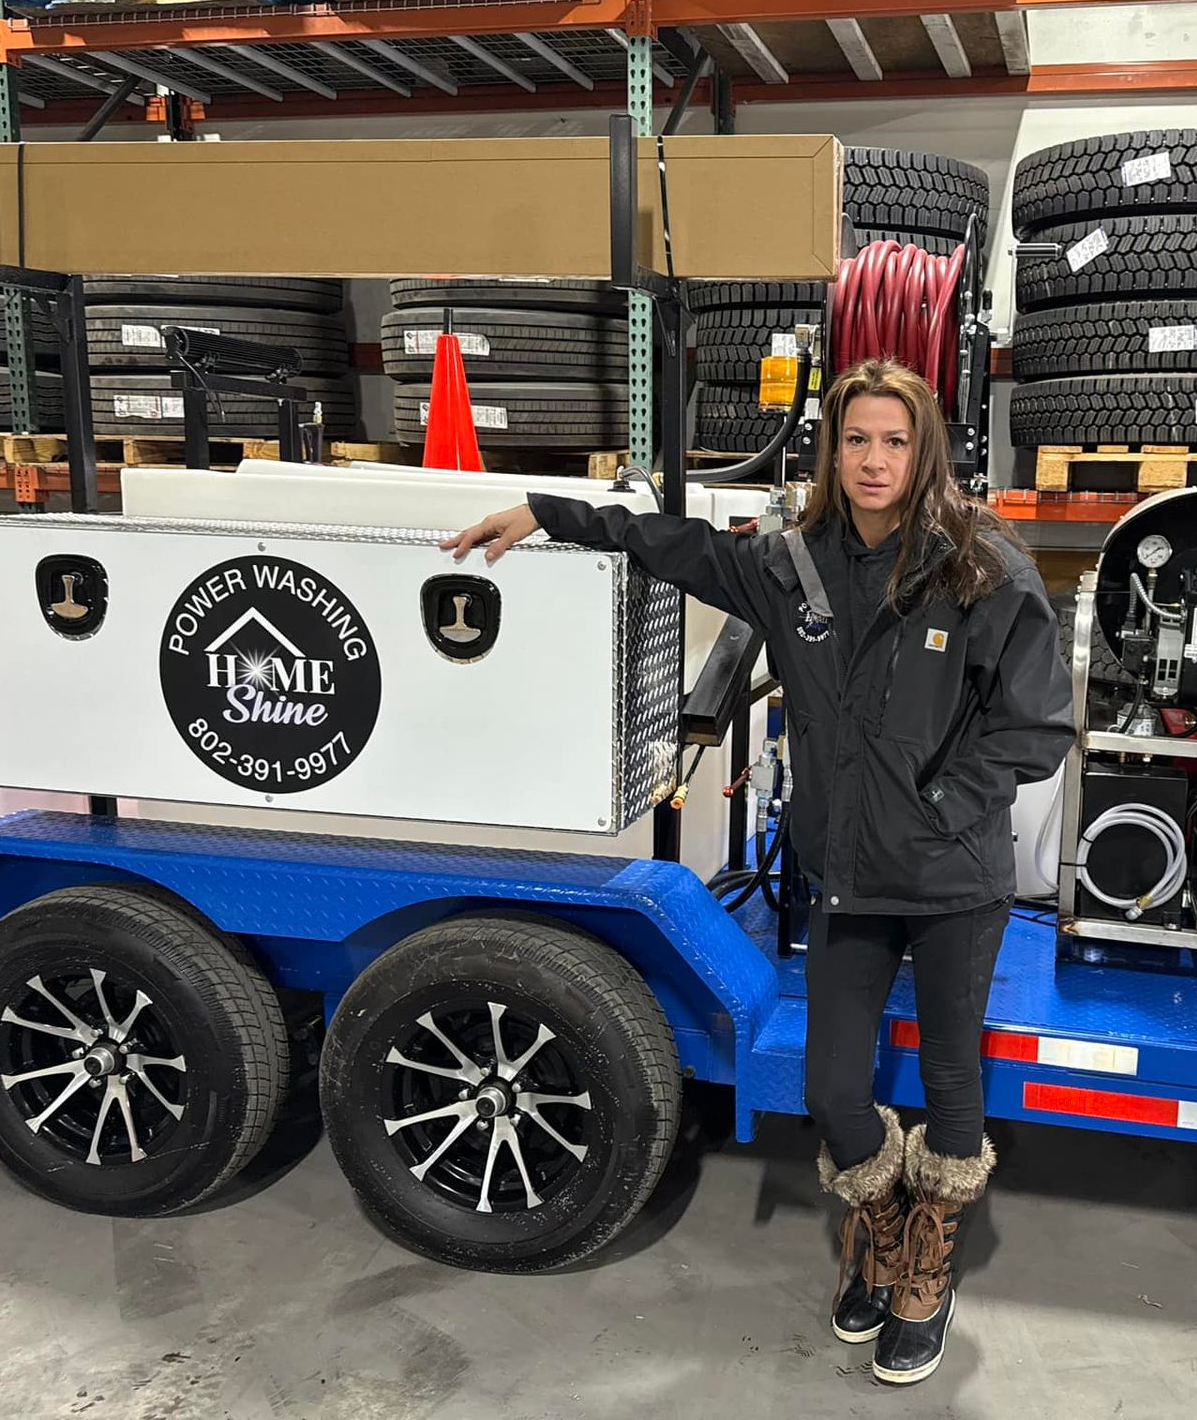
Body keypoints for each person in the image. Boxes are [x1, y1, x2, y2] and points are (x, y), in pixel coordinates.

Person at [442, 357, 1074, 1386]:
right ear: (833, 451)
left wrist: (941, 805)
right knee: (832, 1087)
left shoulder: (980, 564)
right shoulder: (792, 566)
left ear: (926, 453)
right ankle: (879, 1226)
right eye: (857, 441)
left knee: (954, 1082)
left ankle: (923, 1275)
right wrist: (544, 510)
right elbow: (671, 545)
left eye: (895, 442)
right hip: (842, 875)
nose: (875, 461)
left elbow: (1036, 723)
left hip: (954, 878)